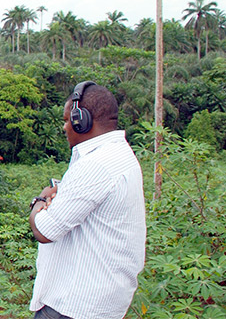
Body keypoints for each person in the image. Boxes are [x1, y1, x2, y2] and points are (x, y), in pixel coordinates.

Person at [27, 81, 146, 319]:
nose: (64, 127)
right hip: (98, 301)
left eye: (66, 120)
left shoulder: (95, 165)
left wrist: (39, 201)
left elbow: (45, 230)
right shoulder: (119, 154)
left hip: (74, 306)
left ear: (82, 121)